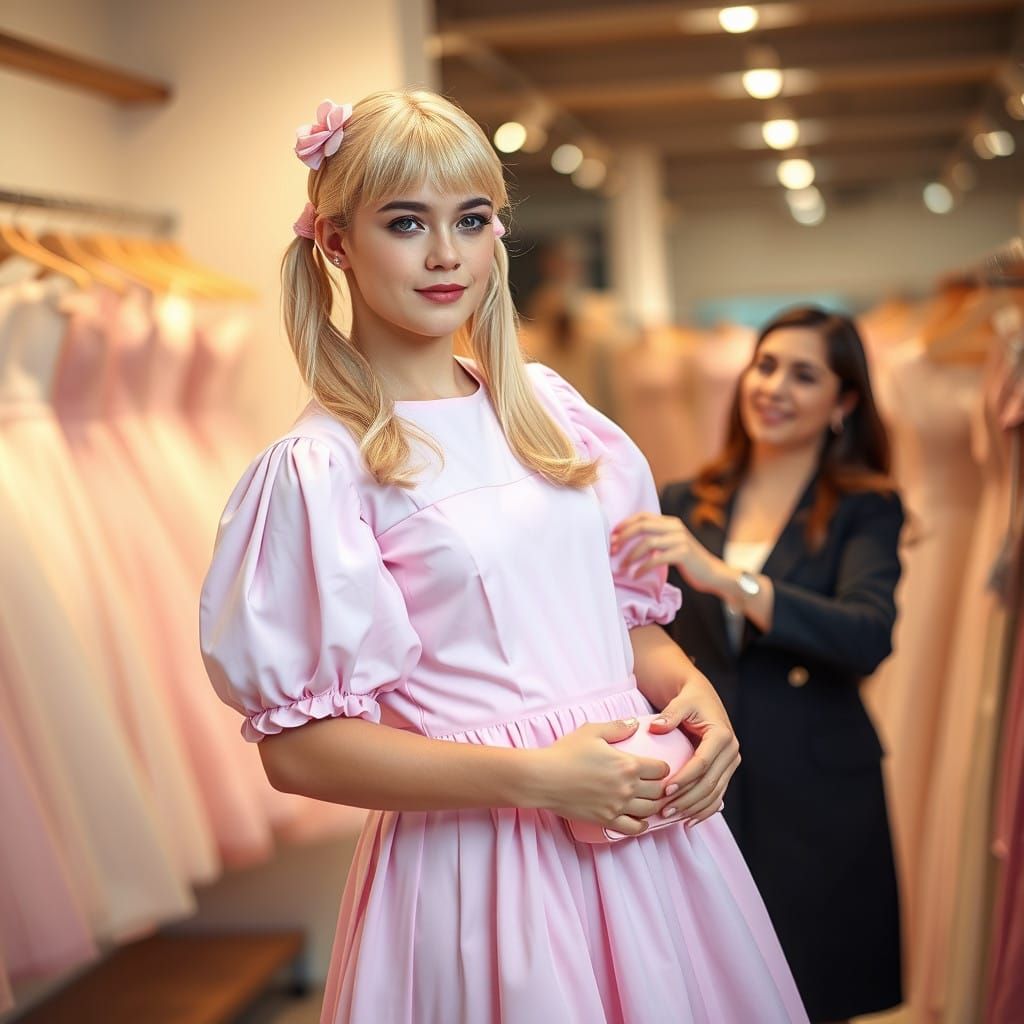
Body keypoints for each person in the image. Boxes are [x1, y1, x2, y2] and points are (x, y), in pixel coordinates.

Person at [199, 89, 808, 1024]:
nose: (447, 255)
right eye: (407, 223)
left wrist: (696, 695)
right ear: (334, 242)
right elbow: (300, 752)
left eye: (472, 220)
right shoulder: (321, 468)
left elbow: (622, 621)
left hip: (647, 837)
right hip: (480, 864)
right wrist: (535, 778)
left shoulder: (552, 414)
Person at [613, 306, 903, 1024]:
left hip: (817, 788)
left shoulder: (866, 508)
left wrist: (722, 576)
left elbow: (867, 634)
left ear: (843, 404)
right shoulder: (684, 501)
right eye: (766, 365)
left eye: (804, 375)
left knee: (816, 984)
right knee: (713, 989)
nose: (772, 387)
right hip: (705, 780)